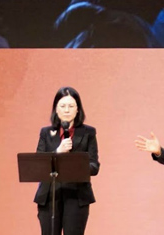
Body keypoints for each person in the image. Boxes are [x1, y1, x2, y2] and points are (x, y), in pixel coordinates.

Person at [34, 87, 100, 235]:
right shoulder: (46, 133)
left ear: (78, 109)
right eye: (62, 106)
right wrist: (58, 152)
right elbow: (39, 165)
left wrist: (75, 163)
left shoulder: (88, 132)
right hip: (50, 195)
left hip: (77, 195)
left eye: (71, 106)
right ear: (56, 109)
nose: (67, 110)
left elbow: (94, 167)